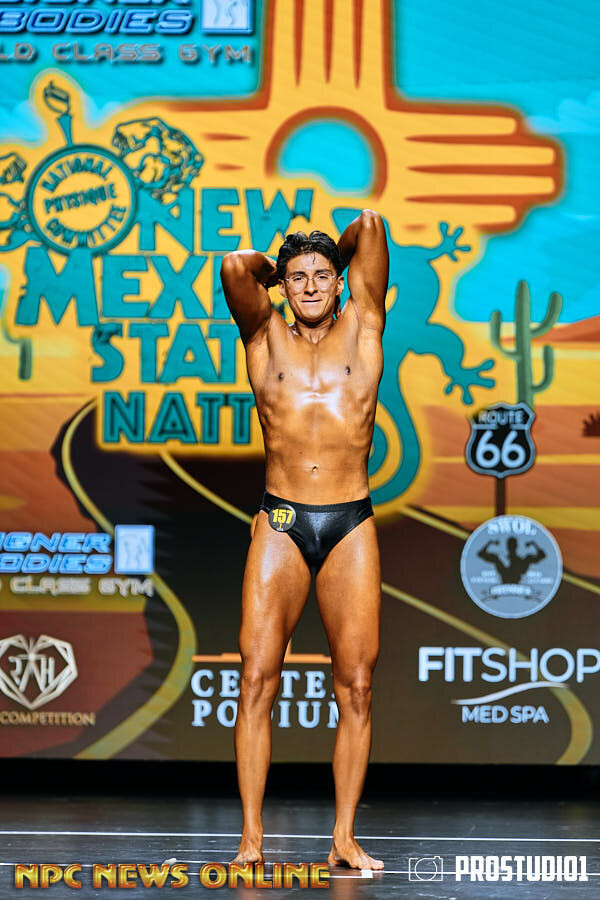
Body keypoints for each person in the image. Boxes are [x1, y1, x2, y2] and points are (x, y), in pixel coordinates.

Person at [220, 210, 389, 870]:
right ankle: (251, 842)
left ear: (341, 282)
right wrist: (281, 262)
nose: (312, 286)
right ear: (283, 287)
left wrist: (328, 255)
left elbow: (369, 226)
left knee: (357, 686)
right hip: (282, 522)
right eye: (298, 278)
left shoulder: (364, 322)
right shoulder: (263, 335)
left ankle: (344, 838)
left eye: (323, 275)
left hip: (350, 522)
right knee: (256, 680)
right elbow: (235, 267)